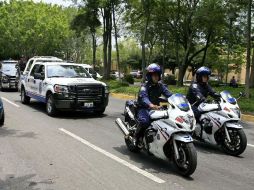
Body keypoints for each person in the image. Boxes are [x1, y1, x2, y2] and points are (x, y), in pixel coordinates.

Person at [134, 63, 172, 145]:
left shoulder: (160, 86)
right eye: (154, 75)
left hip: (157, 108)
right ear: (149, 76)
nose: (156, 77)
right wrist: (150, 105)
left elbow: (169, 94)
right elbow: (144, 98)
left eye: (157, 75)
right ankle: (136, 138)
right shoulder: (144, 87)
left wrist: (179, 99)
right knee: (145, 121)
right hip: (144, 108)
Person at [186, 67, 221, 134]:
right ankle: (194, 130)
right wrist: (203, 98)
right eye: (204, 76)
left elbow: (212, 92)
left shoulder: (206, 85)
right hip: (192, 105)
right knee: (198, 114)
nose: (206, 78)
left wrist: (219, 96)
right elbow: (197, 93)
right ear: (199, 77)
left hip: (202, 105)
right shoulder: (194, 85)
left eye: (207, 76)